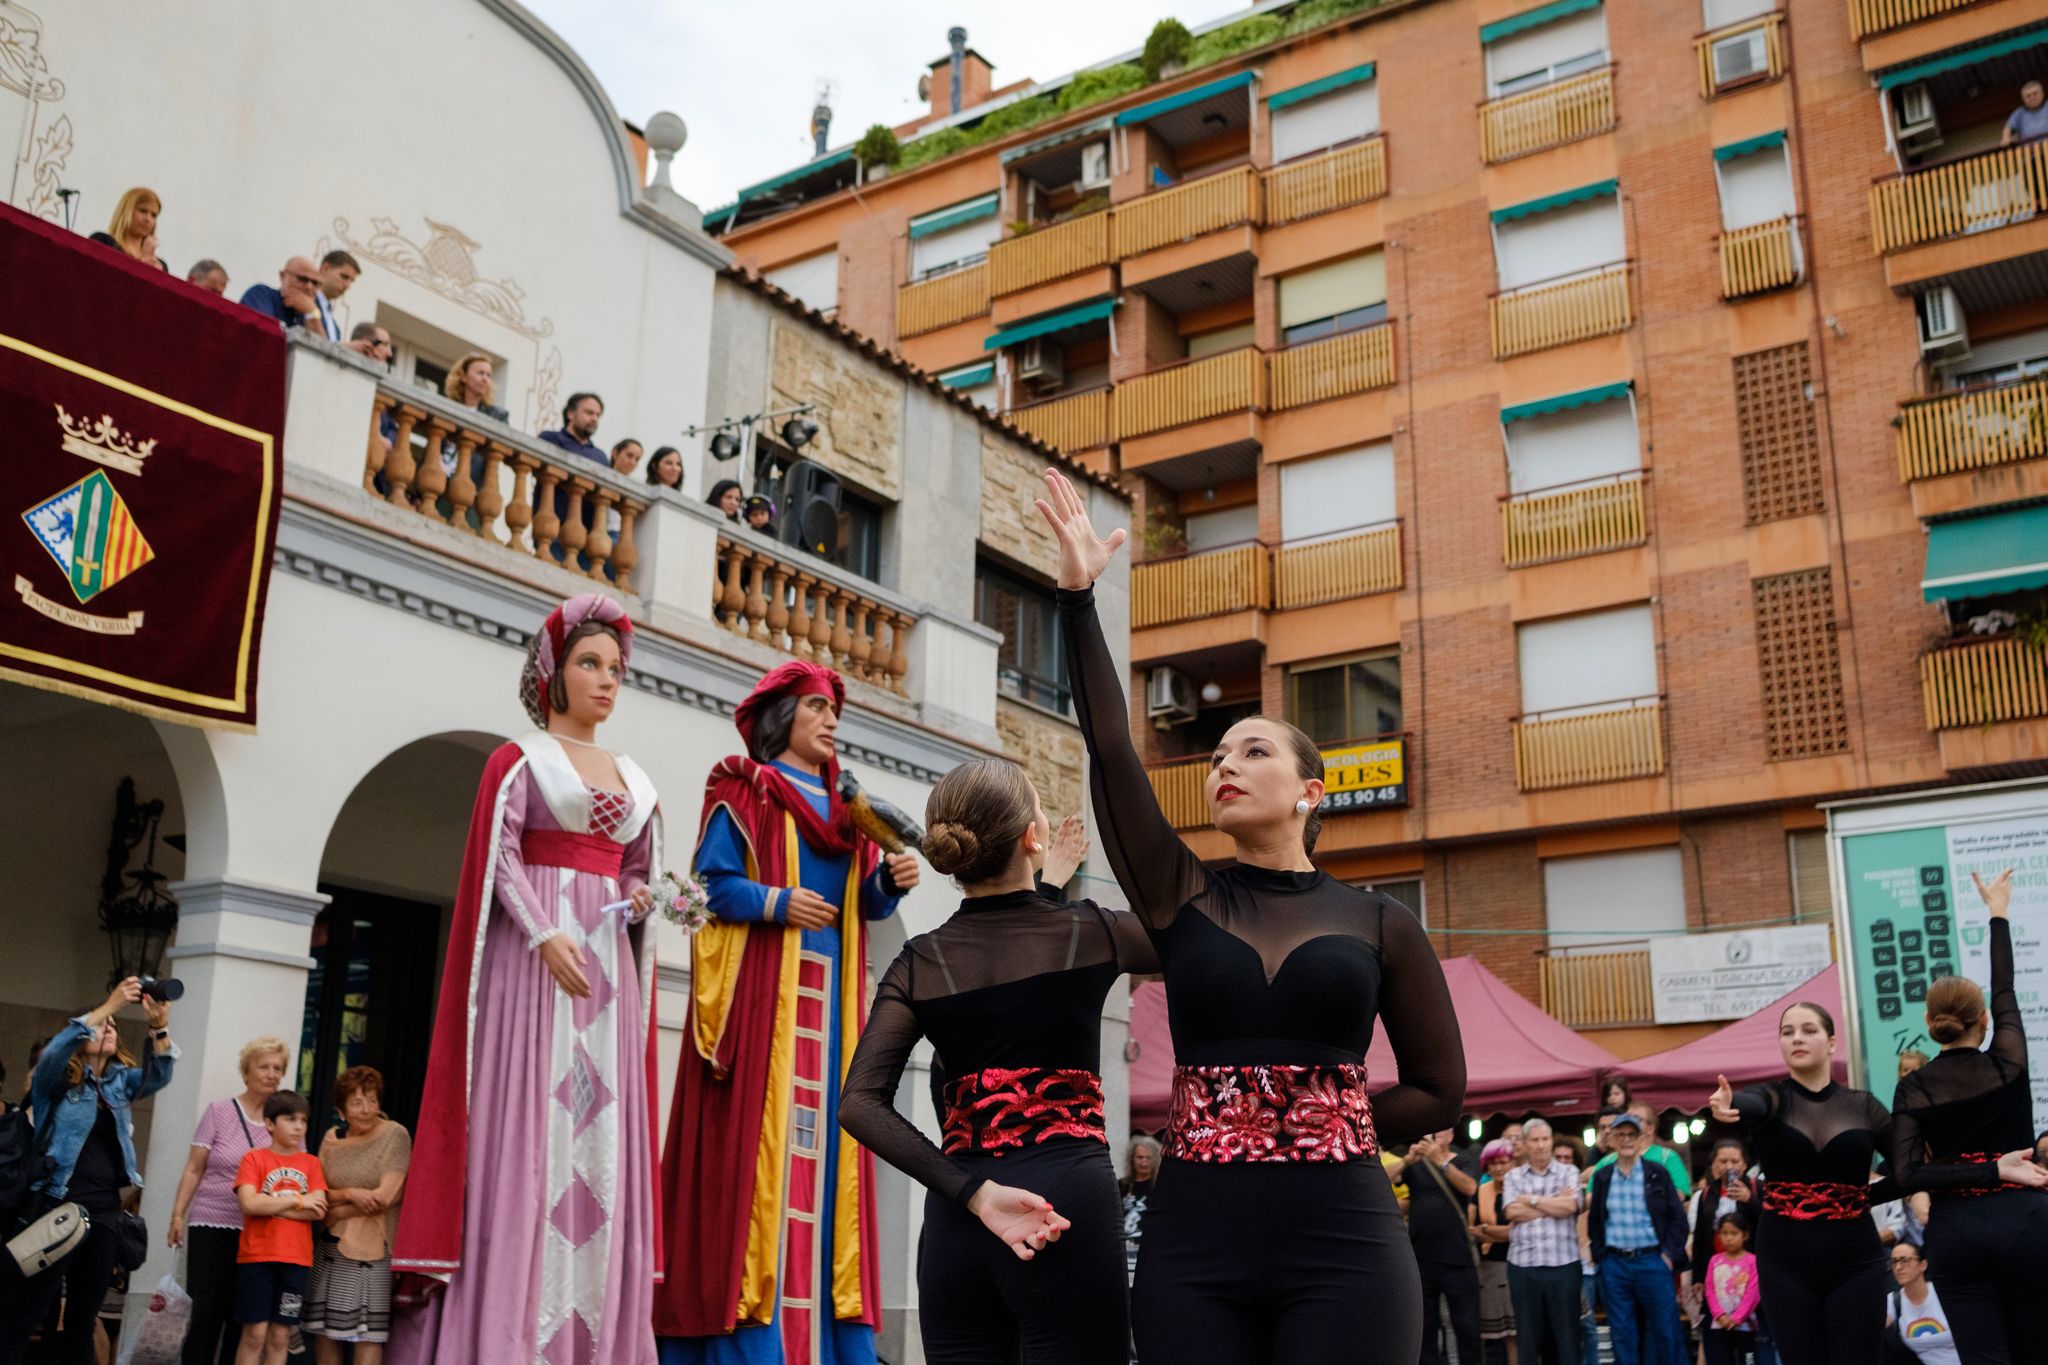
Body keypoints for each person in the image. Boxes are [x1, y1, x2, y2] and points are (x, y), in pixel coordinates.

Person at [1034, 466, 1465, 1363]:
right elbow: (1112, 748)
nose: (1222, 763)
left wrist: (1322, 1117)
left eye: (1251, 749)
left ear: (1312, 791)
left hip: (1347, 1240)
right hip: (1193, 1243)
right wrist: (1078, 599)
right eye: (1218, 753)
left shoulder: (1381, 919)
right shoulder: (1182, 895)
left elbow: (1438, 1085)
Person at [390, 594, 662, 1365]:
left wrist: (643, 896)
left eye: (615, 667)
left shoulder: (635, 778)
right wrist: (543, 931)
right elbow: (499, 854)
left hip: (606, 965)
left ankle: (593, 1340)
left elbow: (639, 868)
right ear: (553, 671)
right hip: (535, 963)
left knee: (601, 1129)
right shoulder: (518, 760)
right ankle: (509, 1334)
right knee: (531, 1130)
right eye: (589, 663)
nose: (607, 680)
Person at [839, 757, 1155, 1363]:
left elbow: (859, 1103)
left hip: (961, 1219)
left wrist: (976, 1195)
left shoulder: (920, 961)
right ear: (1032, 839)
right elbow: (1199, 936)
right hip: (1065, 1209)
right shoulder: (1089, 932)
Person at [655, 660, 918, 1365]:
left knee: (832, 1162)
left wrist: (888, 883)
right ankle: (756, 1338)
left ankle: (831, 1345)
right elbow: (711, 888)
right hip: (765, 1006)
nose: (831, 720)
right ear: (782, 718)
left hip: (833, 1008)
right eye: (817, 707)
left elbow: (862, 902)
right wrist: (777, 902)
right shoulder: (742, 786)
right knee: (759, 1169)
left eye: (835, 710)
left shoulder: (850, 810)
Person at [1887, 868, 2048, 1360]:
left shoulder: (1913, 1088)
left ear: (1929, 1023)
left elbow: (1907, 1172)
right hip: (2024, 1220)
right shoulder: (2009, 1061)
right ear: (1983, 1021)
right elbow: (2006, 988)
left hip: (1956, 1231)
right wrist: (1997, 912)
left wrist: (1978, 1171)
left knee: (1981, 1357)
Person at [1710, 1000, 1896, 1365]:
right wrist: (1731, 1101)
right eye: (1787, 1032)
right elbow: (1751, 1103)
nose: (1797, 1038)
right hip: (1785, 1264)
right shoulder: (1771, 1098)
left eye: (1808, 1030)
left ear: (1831, 1042)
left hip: (1856, 1262)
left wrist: (1861, 1197)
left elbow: (1908, 1169)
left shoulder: (1863, 1106)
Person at [0, 978, 174, 1365]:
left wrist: (159, 1027)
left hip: (104, 1215)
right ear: (79, 1035)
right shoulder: (56, 1082)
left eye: (113, 1025)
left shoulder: (116, 1086)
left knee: (81, 1320)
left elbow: (160, 1074)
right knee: (25, 1315)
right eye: (101, 1025)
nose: (109, 1028)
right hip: (55, 1207)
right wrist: (108, 1005)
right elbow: (53, 1055)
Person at [167, 1036, 289, 1365]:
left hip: (258, 1232)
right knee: (206, 1312)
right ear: (246, 1071)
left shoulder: (285, 1121)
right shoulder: (219, 1112)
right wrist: (178, 1215)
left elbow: (295, 1175)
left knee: (243, 1316)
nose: (272, 1074)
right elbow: (194, 1169)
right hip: (211, 1224)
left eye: (278, 1068)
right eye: (264, 1066)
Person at [304, 1067, 409, 1365]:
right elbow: (318, 1191)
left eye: (372, 1101)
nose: (367, 1110)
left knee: (368, 1334)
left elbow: (386, 1196)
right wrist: (349, 1194)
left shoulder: (395, 1135)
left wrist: (337, 1210)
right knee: (324, 1330)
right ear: (342, 1109)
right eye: (358, 1103)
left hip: (373, 1249)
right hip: (330, 1247)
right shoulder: (331, 1139)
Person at [1586, 1111, 1687, 1365]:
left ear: (1642, 1138)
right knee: (1622, 1332)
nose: (1627, 1140)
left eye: (1632, 1134)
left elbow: (1678, 1218)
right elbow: (1595, 1221)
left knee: (1667, 1329)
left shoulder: (1658, 1173)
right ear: (1612, 1140)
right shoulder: (1602, 1176)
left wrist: (1667, 1255)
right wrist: (1601, 1258)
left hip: (1652, 1259)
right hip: (1615, 1263)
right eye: (1621, 1135)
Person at [232, 1091, 325, 1365]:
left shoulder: (312, 1164)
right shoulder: (254, 1158)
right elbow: (249, 1204)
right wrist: (299, 1199)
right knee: (255, 1333)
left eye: (303, 1120)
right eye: (290, 1119)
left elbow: (318, 1209)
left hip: (296, 1260)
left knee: (280, 1335)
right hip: (256, 1258)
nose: (299, 1126)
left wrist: (270, 1201)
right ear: (270, 1123)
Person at [1502, 1118, 1581, 1365]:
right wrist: (1552, 1203)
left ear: (1551, 1141)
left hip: (1564, 1265)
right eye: (1534, 1140)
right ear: (1525, 1144)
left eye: (1545, 1139)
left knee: (1567, 1338)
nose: (1541, 1145)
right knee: (1528, 1339)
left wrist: (1531, 1201)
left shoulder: (1569, 1171)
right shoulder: (1513, 1175)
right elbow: (1512, 1213)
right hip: (1524, 1268)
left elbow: (1571, 1206)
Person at [1404, 1128, 1481, 1365]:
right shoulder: (1415, 1164)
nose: (1435, 1134)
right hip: (1422, 1257)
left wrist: (1440, 1161)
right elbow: (1385, 1179)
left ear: (1451, 1135)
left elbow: (1470, 1188)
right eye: (1431, 1130)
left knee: (1466, 1326)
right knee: (1426, 1329)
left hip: (1457, 1257)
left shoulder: (1463, 1159)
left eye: (1441, 1130)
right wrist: (1408, 1160)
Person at [1687, 1138, 1758, 1318]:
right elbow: (1701, 1238)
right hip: (1717, 1272)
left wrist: (1750, 1200)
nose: (1729, 1166)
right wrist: (1698, 1278)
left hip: (1751, 1272)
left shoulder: (1757, 1188)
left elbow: (1769, 1224)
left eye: (1735, 1161)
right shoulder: (1707, 1194)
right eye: (1723, 1161)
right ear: (1714, 1164)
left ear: (1744, 1164)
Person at [1473, 1139, 1517, 1360]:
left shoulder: (1519, 1189)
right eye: (1493, 1163)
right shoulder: (1481, 1190)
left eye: (1503, 1162)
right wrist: (1492, 1231)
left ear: (1512, 1163)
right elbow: (1471, 1229)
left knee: (1514, 1335)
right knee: (1489, 1335)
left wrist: (1487, 1230)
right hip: (1488, 1269)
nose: (1498, 1167)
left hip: (1515, 1265)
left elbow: (1515, 1232)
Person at [1591, 1103, 1692, 1197]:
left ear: (1650, 1128)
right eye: (1626, 1118)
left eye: (1636, 1118)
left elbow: (1679, 1194)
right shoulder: (1606, 1161)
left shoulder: (1667, 1157)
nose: (1630, 1122)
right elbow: (1590, 1196)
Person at [1883, 1244, 1958, 1364]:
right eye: (1893, 1262)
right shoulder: (1893, 1300)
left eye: (1904, 1260)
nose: (1897, 1267)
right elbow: (1869, 1329)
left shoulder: (1943, 1293)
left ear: (1923, 1265)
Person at [1702, 1216, 1760, 1365]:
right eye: (1724, 1233)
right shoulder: (1715, 1261)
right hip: (1720, 1324)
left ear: (1745, 1235)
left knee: (1749, 1360)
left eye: (1734, 1233)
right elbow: (1709, 1290)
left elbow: (1753, 1294)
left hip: (1745, 1325)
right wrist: (1719, 1315)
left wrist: (1737, 1318)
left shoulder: (1752, 1261)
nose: (1728, 1238)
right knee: (1722, 1360)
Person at [87, 187, 165, 269]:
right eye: (143, 211)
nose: (148, 219)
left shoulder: (160, 266)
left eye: (154, 215)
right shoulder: (103, 242)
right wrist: (143, 264)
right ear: (127, 211)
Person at [238, 257, 323, 331]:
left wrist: (312, 312)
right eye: (302, 279)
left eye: (315, 283)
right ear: (283, 276)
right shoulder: (262, 295)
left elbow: (322, 348)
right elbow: (264, 335)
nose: (309, 287)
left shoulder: (308, 316)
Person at [1121, 1134, 1161, 1287]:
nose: (1143, 1162)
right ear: (1132, 1159)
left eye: (1147, 1158)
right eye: (1139, 1157)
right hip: (1124, 1250)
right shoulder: (1121, 1186)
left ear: (1155, 1159)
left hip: (1149, 1252)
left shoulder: (1160, 1188)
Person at [539, 392, 607, 466]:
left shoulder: (601, 458)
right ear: (570, 414)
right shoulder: (551, 439)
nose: (594, 419)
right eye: (589, 413)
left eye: (598, 415)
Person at [442, 352, 510, 423]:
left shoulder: (498, 416)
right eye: (480, 373)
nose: (485, 379)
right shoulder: (448, 408)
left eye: (488, 375)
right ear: (464, 376)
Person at [313, 250, 359, 342]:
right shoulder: (305, 302)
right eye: (344, 277)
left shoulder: (336, 329)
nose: (347, 286)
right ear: (325, 269)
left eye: (351, 281)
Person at [2001, 80, 2048, 145]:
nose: (2032, 97)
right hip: (2030, 153)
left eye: (2035, 94)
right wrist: (2006, 139)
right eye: (2028, 96)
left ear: (2042, 94)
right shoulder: (2019, 113)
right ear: (2023, 99)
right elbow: (2008, 128)